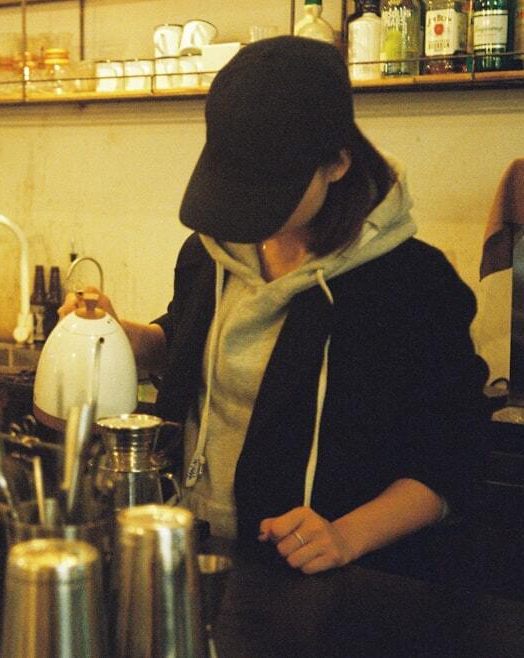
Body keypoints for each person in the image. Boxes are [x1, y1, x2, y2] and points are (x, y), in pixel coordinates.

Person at [60, 37, 490, 577]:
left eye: (267, 188)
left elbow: (455, 455)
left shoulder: (411, 282)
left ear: (337, 163)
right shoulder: (209, 253)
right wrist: (120, 336)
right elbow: (189, 343)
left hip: (321, 575)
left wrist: (346, 535)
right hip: (191, 549)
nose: (245, 207)